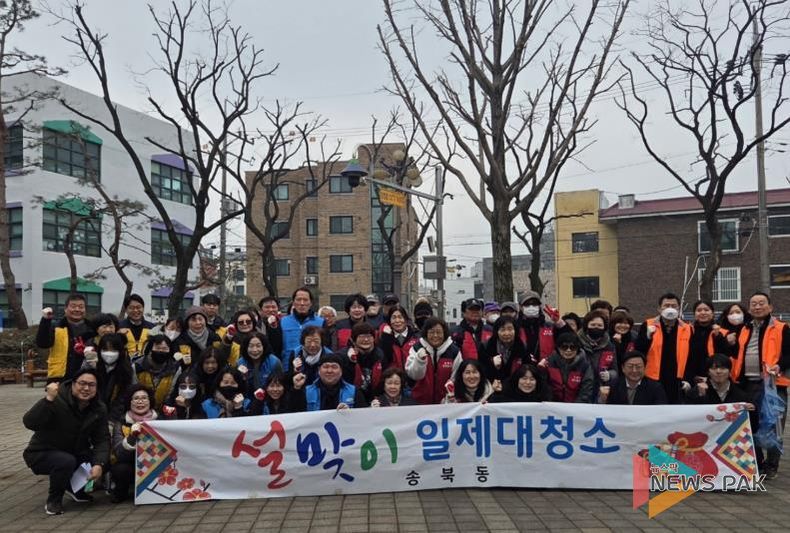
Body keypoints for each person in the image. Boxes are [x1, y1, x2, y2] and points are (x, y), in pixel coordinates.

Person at [23, 368, 109, 515]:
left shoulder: (99, 408)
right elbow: (30, 423)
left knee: (102, 459)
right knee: (65, 461)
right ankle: (54, 501)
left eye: (91, 385)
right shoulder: (56, 399)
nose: (86, 388)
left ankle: (75, 489)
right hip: (41, 453)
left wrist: (99, 464)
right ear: (73, 384)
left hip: (73, 452)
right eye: (82, 383)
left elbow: (102, 439)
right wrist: (48, 400)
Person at [729, 292, 790, 479]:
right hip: (747, 383)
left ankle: (772, 466)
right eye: (753, 304)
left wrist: (780, 365)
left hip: (773, 384)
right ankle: (758, 463)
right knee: (750, 424)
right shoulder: (744, 329)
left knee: (774, 425)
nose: (757, 307)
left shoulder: (782, 328)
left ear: (770, 307)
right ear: (749, 309)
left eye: (761, 303)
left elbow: (789, 353)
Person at [635, 292, 693, 404]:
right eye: (666, 306)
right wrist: (647, 337)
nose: (670, 308)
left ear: (679, 308)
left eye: (674, 306)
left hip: (677, 379)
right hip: (653, 378)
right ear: (659, 309)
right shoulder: (648, 324)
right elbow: (639, 350)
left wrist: (688, 379)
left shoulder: (687, 328)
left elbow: (691, 357)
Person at [109, 384, 157, 503]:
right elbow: (119, 453)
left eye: (144, 398)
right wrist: (132, 437)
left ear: (150, 401)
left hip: (157, 463)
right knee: (120, 469)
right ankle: (121, 492)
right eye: (136, 398)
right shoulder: (121, 422)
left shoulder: (160, 419)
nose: (140, 401)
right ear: (129, 402)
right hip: (131, 463)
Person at [36, 294, 96, 382]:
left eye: (81, 307)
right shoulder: (56, 327)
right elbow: (43, 344)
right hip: (59, 378)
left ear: (85, 309)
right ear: (65, 309)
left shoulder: (92, 328)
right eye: (73, 306)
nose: (77, 309)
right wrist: (45, 320)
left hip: (87, 377)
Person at [405, 317, 461, 405]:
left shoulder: (454, 351)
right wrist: (420, 360)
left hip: (446, 403)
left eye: (439, 332)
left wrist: (448, 398)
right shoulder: (416, 348)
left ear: (444, 333)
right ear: (426, 333)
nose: (435, 335)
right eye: (431, 332)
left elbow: (456, 377)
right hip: (419, 403)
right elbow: (414, 376)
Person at [291, 354, 368, 411]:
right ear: (319, 371)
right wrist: (296, 388)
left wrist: (351, 414)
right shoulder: (307, 391)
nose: (329, 371)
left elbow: (362, 418)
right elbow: (293, 415)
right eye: (325, 367)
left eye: (334, 367)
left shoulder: (354, 392)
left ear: (341, 371)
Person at [279, 287, 324, 372]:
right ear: (293, 302)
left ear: (311, 303)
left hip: (315, 368)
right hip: (288, 367)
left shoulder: (321, 322)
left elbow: (325, 347)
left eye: (305, 300)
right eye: (298, 300)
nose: (302, 303)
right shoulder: (282, 321)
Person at [685, 300, 730, 384]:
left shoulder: (722, 332)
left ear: (712, 313)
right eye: (699, 310)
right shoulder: (687, 331)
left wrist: (718, 337)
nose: (703, 313)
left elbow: (726, 355)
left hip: (715, 378)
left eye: (706, 310)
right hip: (690, 378)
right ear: (694, 314)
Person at [516, 290, 568, 362]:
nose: (531, 307)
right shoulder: (515, 328)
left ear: (539, 306)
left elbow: (570, 339)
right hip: (522, 368)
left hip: (548, 367)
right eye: (527, 304)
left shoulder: (550, 327)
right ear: (520, 307)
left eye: (535, 304)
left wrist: (558, 321)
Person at [600, 351, 667, 405]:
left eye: (638, 367)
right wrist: (602, 400)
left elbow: (660, 411)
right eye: (630, 366)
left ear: (645, 368)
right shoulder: (613, 386)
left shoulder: (655, 388)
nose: (634, 370)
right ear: (623, 368)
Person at [542, 332, 594, 403]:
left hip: (577, 405)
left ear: (577, 349)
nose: (568, 350)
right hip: (553, 405)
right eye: (564, 347)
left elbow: (586, 390)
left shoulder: (585, 365)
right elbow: (545, 387)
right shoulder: (549, 362)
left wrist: (574, 406)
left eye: (572, 347)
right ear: (558, 348)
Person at [577, 310, 618, 401]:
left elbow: (615, 370)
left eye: (599, 325)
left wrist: (610, 375)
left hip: (601, 391)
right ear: (586, 326)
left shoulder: (610, 346)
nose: (596, 327)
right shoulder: (576, 343)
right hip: (579, 388)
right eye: (593, 325)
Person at [91, 333, 134, 420]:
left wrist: (112, 419)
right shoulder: (92, 366)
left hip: (115, 416)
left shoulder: (127, 370)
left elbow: (123, 398)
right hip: (92, 413)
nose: (109, 353)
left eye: (113, 350)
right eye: (105, 349)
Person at [133, 334, 181, 409]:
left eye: (165, 349)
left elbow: (171, 393)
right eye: (157, 348)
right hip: (139, 407)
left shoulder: (175, 368)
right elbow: (133, 390)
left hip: (164, 408)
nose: (161, 351)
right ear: (150, 349)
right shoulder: (137, 366)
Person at [686, 354, 754, 407]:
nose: (718, 371)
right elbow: (689, 414)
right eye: (714, 368)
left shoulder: (742, 395)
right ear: (708, 372)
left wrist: (752, 410)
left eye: (723, 368)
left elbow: (752, 419)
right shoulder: (695, 392)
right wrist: (701, 396)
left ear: (729, 372)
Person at [479, 316, 530, 383]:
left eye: (510, 329)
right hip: (494, 385)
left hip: (515, 385)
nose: (506, 333)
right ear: (496, 331)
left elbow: (527, 369)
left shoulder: (523, 347)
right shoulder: (486, 346)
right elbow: (481, 370)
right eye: (502, 330)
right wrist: (491, 363)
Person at [343, 322, 384, 403]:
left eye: (369, 336)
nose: (366, 340)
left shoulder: (380, 355)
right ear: (353, 339)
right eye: (362, 337)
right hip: (351, 399)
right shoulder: (345, 356)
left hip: (374, 399)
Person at [236, 332, 283, 396]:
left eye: (258, 346)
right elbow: (239, 389)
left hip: (269, 397)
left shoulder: (274, 362)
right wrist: (244, 379)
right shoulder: (240, 363)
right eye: (251, 346)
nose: (255, 350)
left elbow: (280, 385)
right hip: (247, 398)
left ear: (264, 346)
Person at [378, 305, 419, 370]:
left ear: (406, 319)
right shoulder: (384, 338)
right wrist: (386, 338)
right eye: (394, 318)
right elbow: (384, 360)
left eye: (400, 317)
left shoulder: (416, 336)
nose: (397, 321)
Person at [118, 294, 155, 360]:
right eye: (131, 308)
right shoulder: (119, 327)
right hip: (124, 363)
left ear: (143, 308)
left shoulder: (152, 328)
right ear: (126, 310)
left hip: (146, 364)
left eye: (138, 307)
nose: (135, 310)